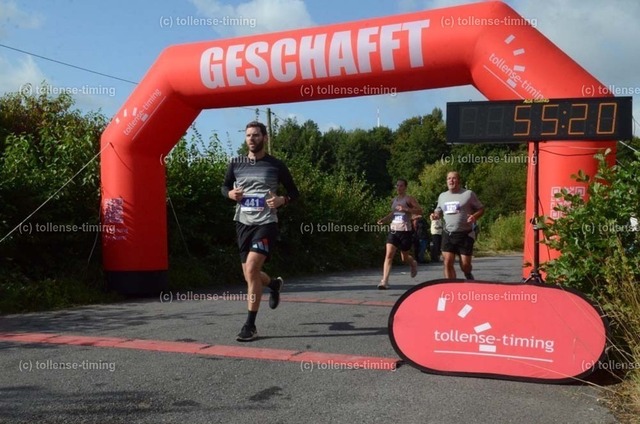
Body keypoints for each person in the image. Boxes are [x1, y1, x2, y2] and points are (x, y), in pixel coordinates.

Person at [221, 121, 299, 342]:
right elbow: (224, 187)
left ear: (264, 137)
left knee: (252, 268)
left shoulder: (276, 165)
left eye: (256, 135)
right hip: (243, 222)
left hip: (266, 222)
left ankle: (250, 326)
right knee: (250, 274)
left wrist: (282, 199)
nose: (251, 139)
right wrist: (229, 194)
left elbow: (294, 192)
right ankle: (273, 284)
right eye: (248, 135)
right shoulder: (236, 163)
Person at [431, 171, 484, 280]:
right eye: (449, 178)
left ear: (459, 181)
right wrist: (435, 215)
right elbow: (438, 210)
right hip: (448, 234)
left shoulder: (468, 194)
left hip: (465, 234)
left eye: (454, 178)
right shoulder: (442, 196)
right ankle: (452, 286)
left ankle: (468, 274)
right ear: (446, 181)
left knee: (465, 266)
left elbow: (481, 209)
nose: (451, 180)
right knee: (447, 262)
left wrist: (474, 217)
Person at [376, 179, 423, 289]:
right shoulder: (394, 200)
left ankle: (413, 263)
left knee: (404, 258)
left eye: (401, 186)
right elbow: (393, 214)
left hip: (405, 231)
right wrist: (384, 219)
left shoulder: (409, 199)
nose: (399, 188)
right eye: (397, 185)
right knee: (388, 255)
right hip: (393, 230)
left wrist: (406, 209)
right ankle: (384, 281)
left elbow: (420, 211)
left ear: (405, 187)